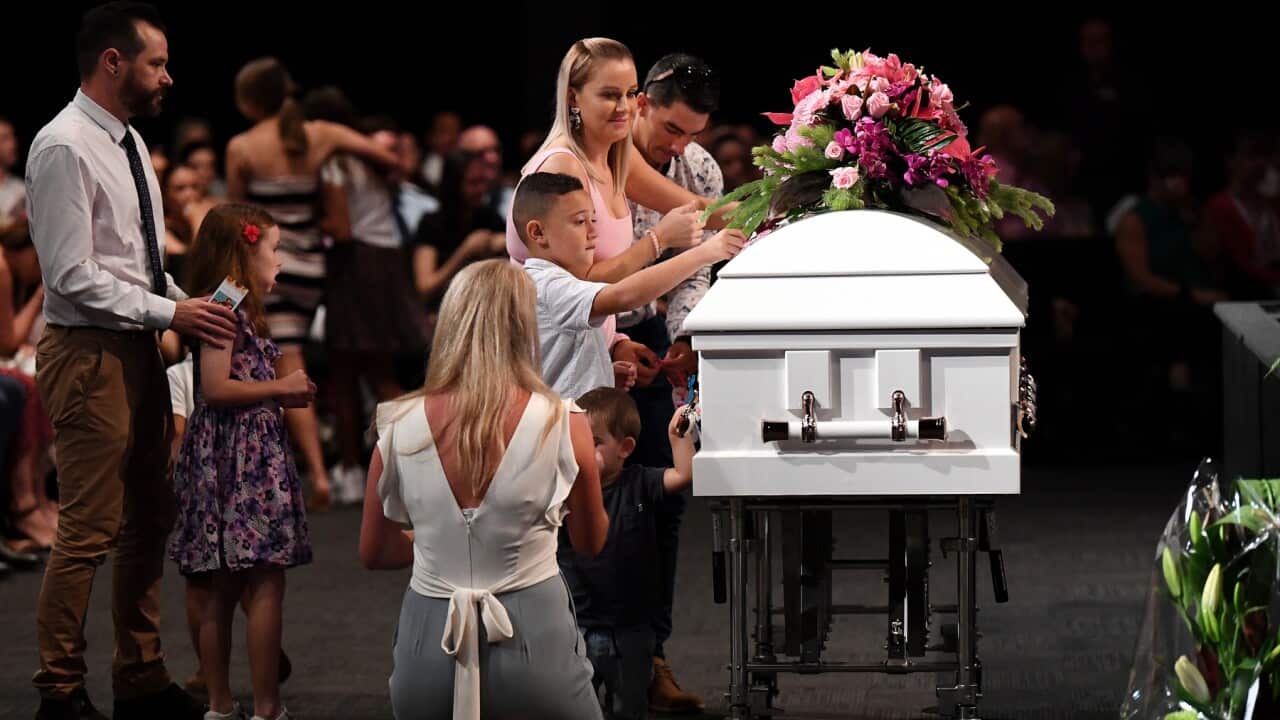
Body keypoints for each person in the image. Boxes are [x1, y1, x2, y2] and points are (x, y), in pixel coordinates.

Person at [25, 4, 238, 718]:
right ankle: (59, 690)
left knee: (151, 516)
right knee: (87, 528)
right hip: (87, 353)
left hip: (135, 344)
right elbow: (70, 275)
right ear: (113, 62)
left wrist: (187, 300)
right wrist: (170, 312)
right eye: (156, 63)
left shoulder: (129, 143)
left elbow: (137, 265)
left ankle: (139, 676)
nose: (167, 77)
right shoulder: (63, 146)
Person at [359, 259, 611, 720]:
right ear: (524, 330)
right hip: (535, 643)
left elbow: (374, 552)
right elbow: (591, 542)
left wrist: (435, 539)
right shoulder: (565, 423)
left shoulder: (395, 426)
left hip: (428, 648)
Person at [169, 203, 314, 720]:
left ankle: (223, 704)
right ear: (244, 251)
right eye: (273, 250)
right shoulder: (226, 305)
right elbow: (213, 387)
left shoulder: (237, 306)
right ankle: (258, 707)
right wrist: (282, 387)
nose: (279, 261)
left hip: (237, 453)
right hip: (237, 459)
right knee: (257, 580)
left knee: (226, 583)